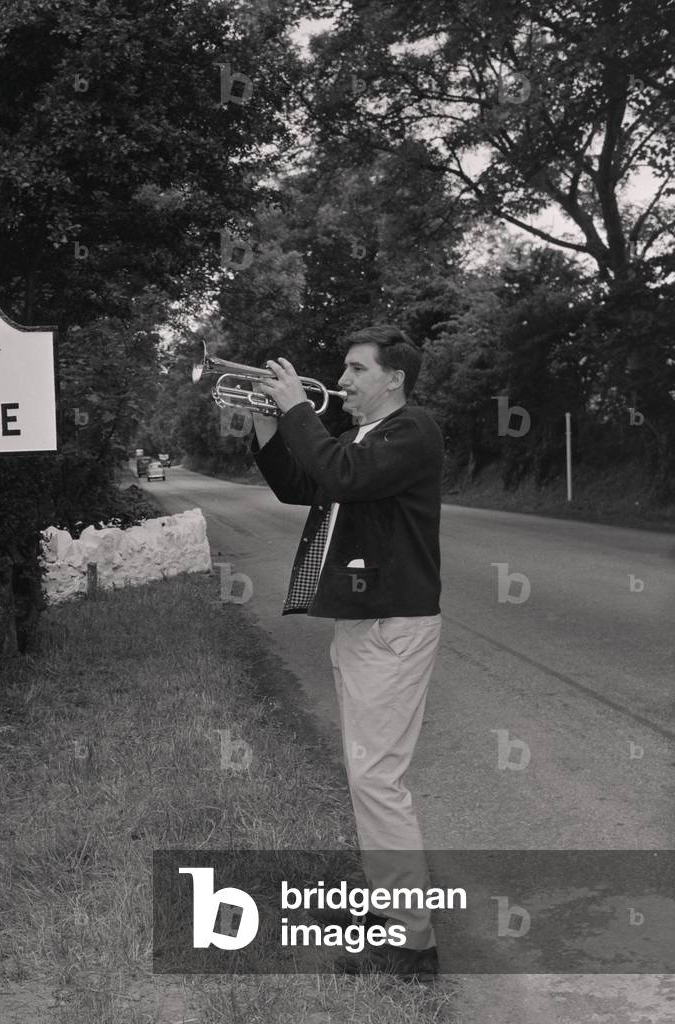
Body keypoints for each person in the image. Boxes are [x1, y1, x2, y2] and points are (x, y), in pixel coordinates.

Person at [250, 325, 444, 982]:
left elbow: (340, 474)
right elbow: (302, 485)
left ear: (394, 378)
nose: (344, 378)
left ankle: (410, 944)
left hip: (392, 625)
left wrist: (298, 408)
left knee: (377, 780)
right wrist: (268, 426)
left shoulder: (412, 431)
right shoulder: (362, 439)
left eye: (358, 369)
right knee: (368, 776)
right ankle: (392, 910)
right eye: (344, 367)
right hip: (364, 622)